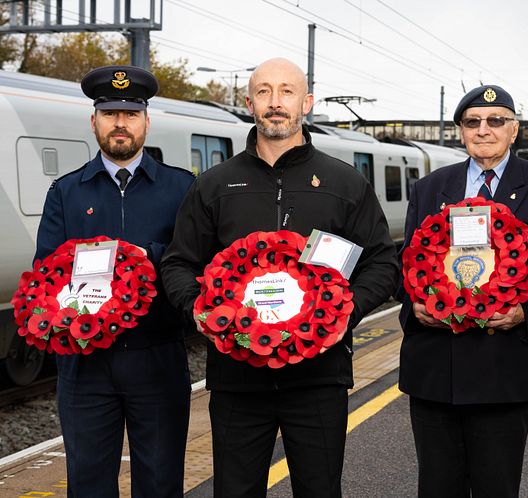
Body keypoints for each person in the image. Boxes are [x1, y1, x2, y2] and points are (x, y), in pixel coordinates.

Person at [160, 57, 398, 498]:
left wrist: (347, 314)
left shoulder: (344, 183)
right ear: (248, 102)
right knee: (234, 490)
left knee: (319, 489)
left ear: (306, 102)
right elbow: (178, 263)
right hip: (237, 375)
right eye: (264, 92)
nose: (275, 102)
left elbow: (382, 262)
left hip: (319, 374)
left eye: (286, 91)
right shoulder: (214, 185)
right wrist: (198, 309)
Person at [396, 85, 528, 497]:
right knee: (437, 486)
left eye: (496, 121)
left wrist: (527, 313)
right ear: (461, 131)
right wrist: (415, 305)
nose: (484, 130)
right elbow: (407, 262)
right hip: (436, 367)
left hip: (504, 369)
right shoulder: (430, 188)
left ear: (515, 129)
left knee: (497, 486)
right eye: (472, 122)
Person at [34, 65, 194, 497]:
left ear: (146, 121)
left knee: (160, 484)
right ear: (94, 122)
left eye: (130, 113)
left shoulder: (182, 189)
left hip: (157, 358)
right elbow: (45, 274)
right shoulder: (66, 192)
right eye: (109, 113)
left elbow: (197, 264)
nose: (120, 123)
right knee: (87, 485)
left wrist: (146, 258)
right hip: (85, 366)